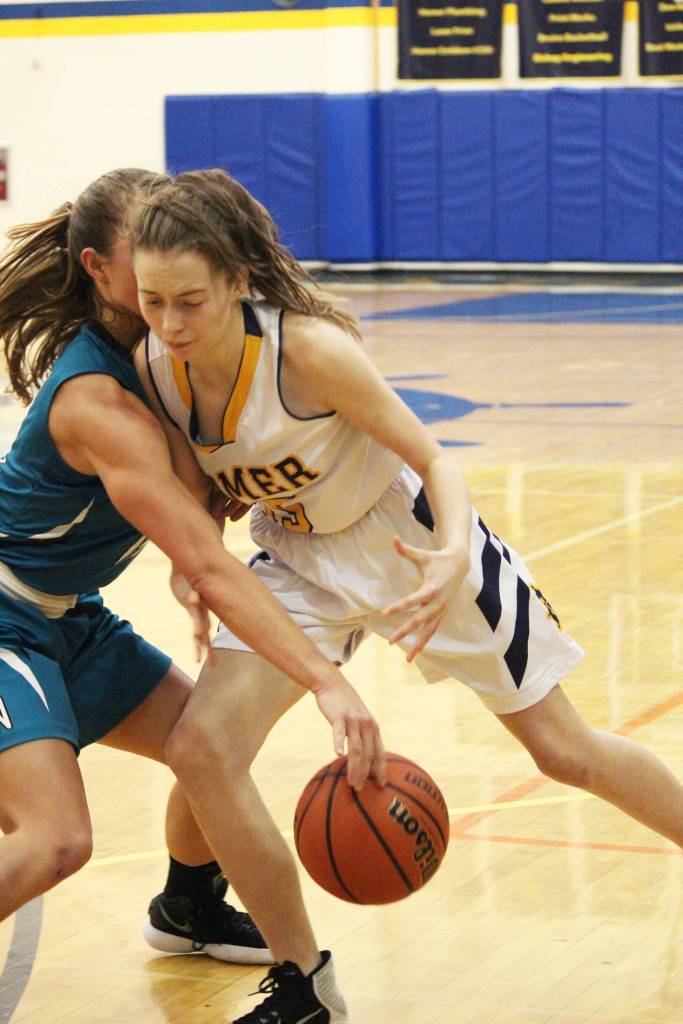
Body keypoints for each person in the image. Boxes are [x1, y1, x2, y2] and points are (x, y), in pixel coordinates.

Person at [127, 166, 683, 1024]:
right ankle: (290, 975)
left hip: (411, 541)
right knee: (205, 744)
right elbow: (201, 489)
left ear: (238, 280)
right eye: (151, 300)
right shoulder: (157, 367)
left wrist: (453, 549)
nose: (168, 324)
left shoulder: (307, 353)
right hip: (300, 557)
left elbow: (435, 461)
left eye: (189, 301)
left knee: (563, 752)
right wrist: (185, 560)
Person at [0, 169, 383, 997]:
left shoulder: (169, 357)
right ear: (103, 269)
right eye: (153, 252)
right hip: (3, 619)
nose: (178, 259)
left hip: (69, 616)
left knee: (207, 745)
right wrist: (323, 678)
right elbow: (209, 556)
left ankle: (187, 904)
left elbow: (206, 521)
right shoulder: (97, 398)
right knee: (56, 840)